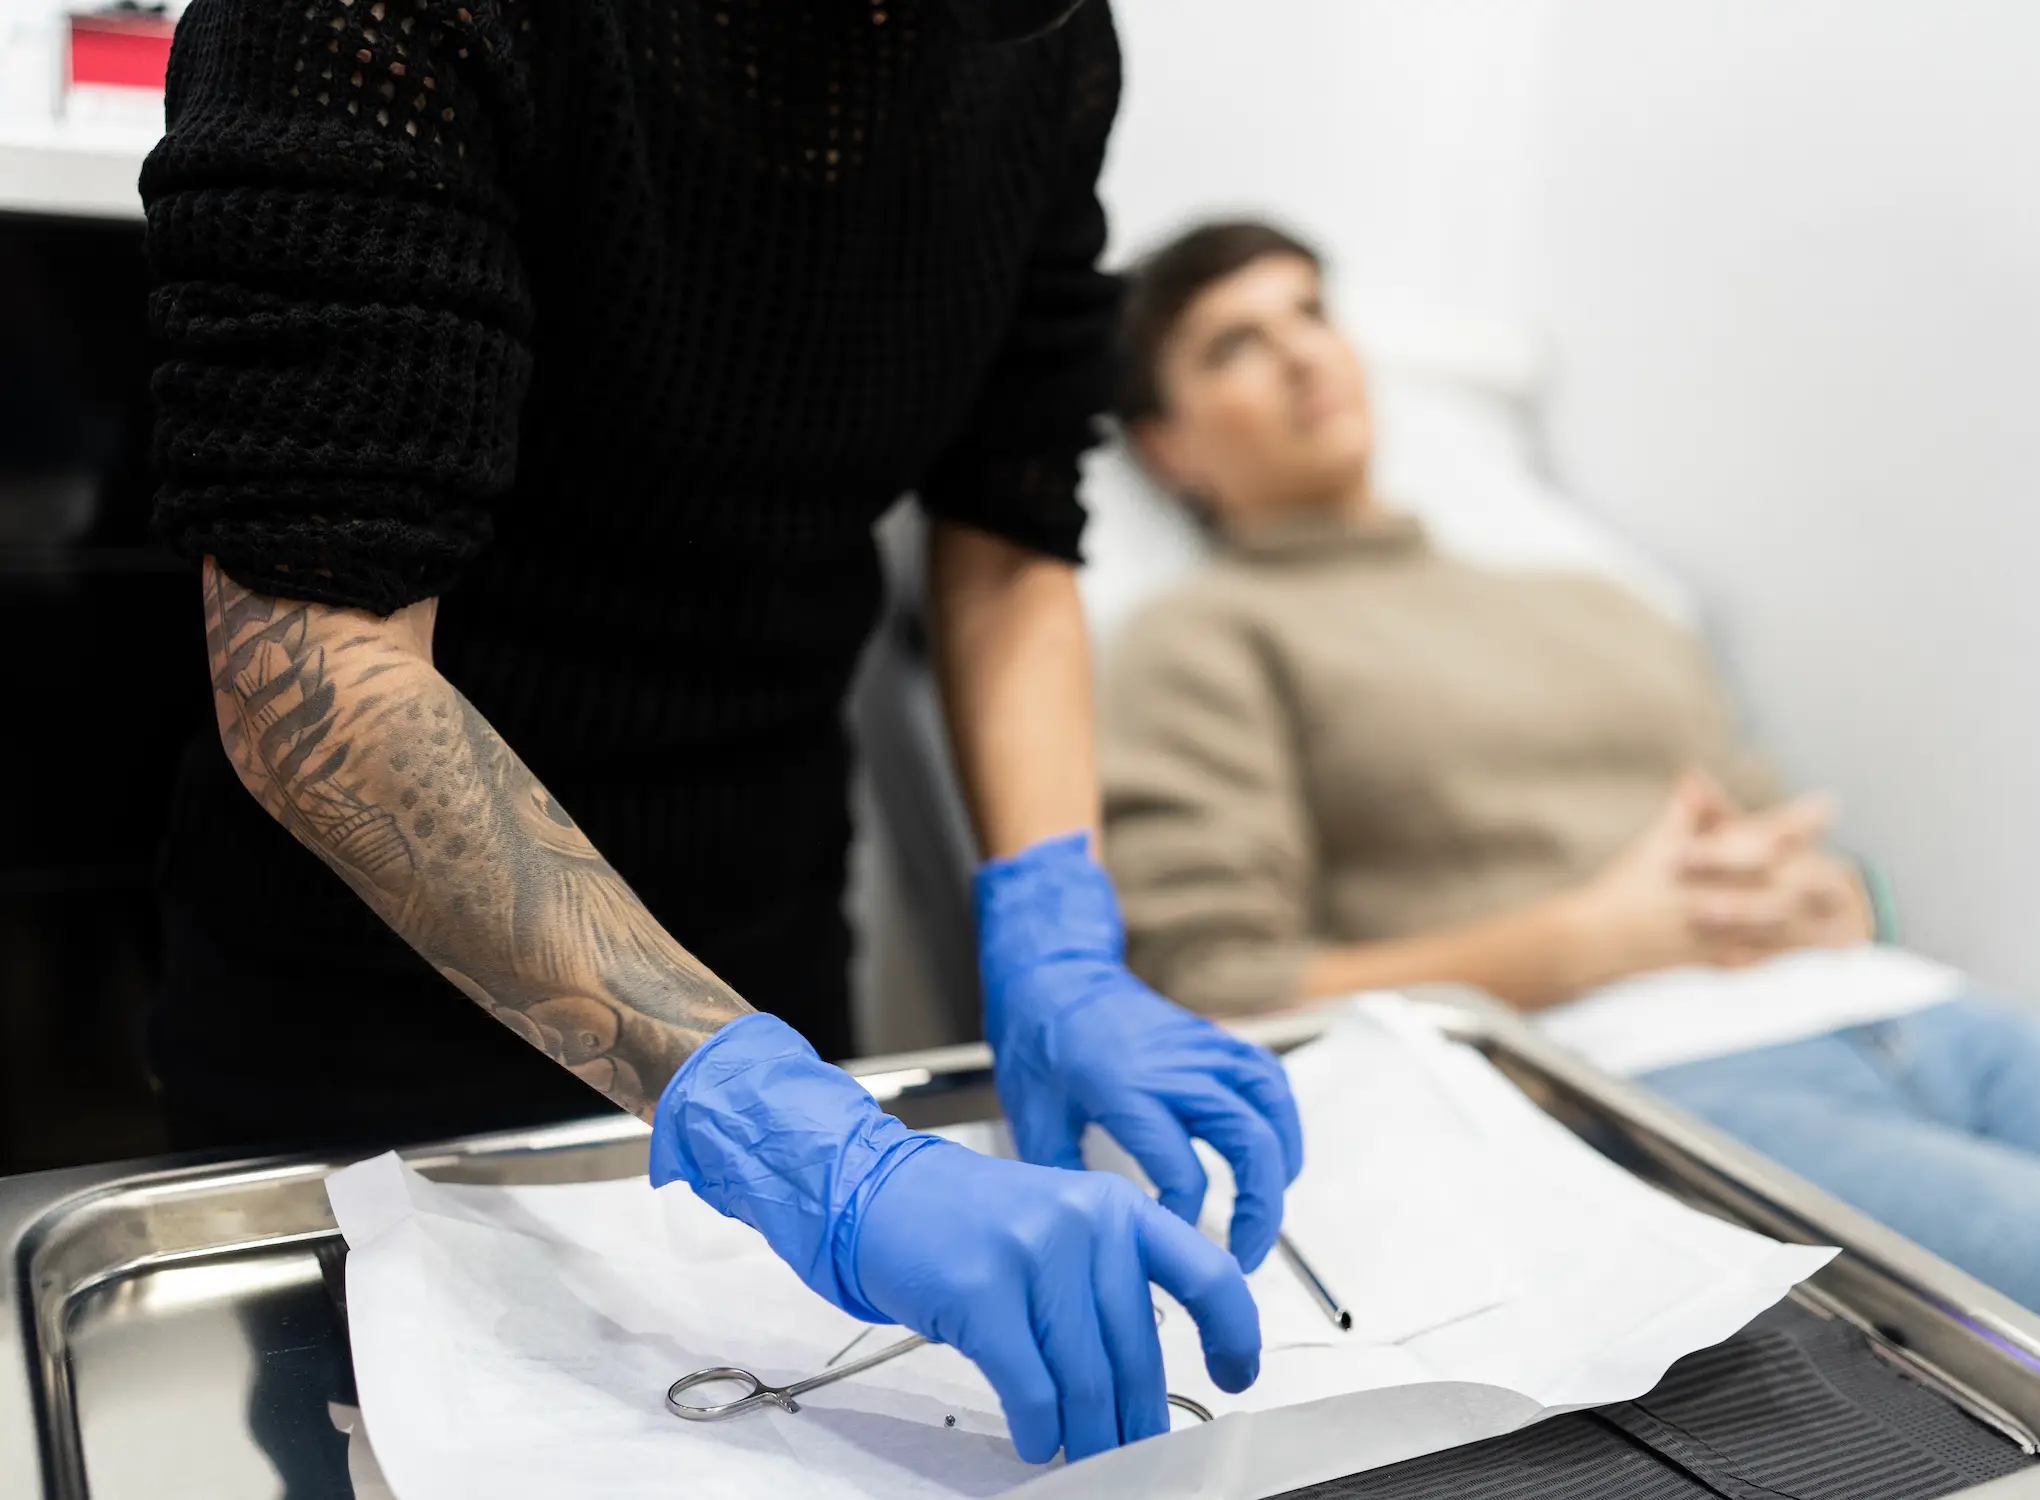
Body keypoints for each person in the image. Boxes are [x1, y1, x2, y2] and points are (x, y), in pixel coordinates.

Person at [139, 1, 1301, 1464]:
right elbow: (316, 662)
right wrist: (793, 1140)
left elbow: (1009, 523)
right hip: (366, 1026)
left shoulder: (1045, 44)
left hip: (774, 945)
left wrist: (1055, 929)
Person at [1097, 218, 2040, 1472]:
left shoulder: (1592, 600)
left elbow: (1779, 837)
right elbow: (1215, 993)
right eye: (1233, 344)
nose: (1300, 358)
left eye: (1310, 313)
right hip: (1669, 1080)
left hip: (1926, 1016)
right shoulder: (1200, 641)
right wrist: (1590, 940)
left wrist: (1832, 894)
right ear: (1167, 449)